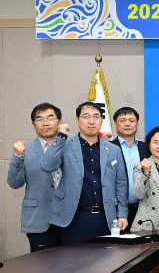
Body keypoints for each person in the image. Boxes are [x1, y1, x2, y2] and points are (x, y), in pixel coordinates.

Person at [41, 101, 128, 242]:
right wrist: (60, 137)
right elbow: (47, 166)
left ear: (101, 120)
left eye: (96, 116)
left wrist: (122, 214)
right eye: (86, 116)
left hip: (106, 218)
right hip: (74, 218)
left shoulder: (113, 150)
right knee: (73, 256)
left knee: (107, 256)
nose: (91, 121)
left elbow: (121, 184)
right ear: (77, 120)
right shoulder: (65, 145)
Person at [7, 103, 64, 251]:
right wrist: (17, 156)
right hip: (39, 219)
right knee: (42, 264)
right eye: (39, 119)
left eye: (50, 118)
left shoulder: (71, 147)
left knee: (74, 264)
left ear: (59, 121)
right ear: (34, 125)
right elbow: (14, 183)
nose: (45, 123)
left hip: (70, 219)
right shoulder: (25, 150)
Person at [110, 106, 150, 229]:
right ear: (115, 124)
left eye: (131, 120)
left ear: (137, 124)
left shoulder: (147, 148)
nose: (127, 124)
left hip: (143, 209)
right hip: (116, 210)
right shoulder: (108, 148)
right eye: (122, 120)